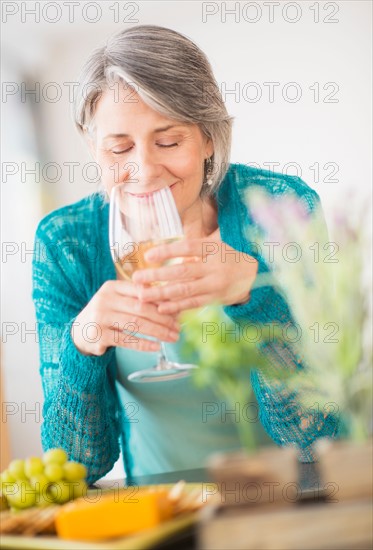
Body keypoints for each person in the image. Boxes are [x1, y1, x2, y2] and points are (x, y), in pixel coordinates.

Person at [32, 25, 337, 484]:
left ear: (209, 138)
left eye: (169, 141)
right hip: (162, 511)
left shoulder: (276, 210)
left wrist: (259, 297)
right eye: (119, 147)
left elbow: (318, 435)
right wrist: (82, 341)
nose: (145, 170)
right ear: (92, 147)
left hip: (296, 500)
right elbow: (75, 464)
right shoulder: (66, 242)